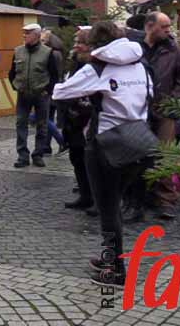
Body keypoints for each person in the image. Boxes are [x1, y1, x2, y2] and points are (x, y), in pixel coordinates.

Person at [53, 21, 152, 288]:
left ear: (96, 45)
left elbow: (61, 91)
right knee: (115, 203)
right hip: (140, 139)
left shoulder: (98, 67)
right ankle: (111, 257)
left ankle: (115, 270)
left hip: (106, 144)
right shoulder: (141, 64)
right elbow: (150, 96)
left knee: (108, 209)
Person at [141, 11, 180, 220]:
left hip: (164, 113)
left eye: (169, 26)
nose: (169, 30)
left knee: (165, 156)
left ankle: (166, 200)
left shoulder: (174, 51)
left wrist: (171, 102)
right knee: (136, 154)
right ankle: (137, 198)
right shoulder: (134, 49)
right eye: (164, 26)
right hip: (137, 112)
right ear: (150, 26)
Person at [9, 23, 58, 169]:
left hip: (41, 94)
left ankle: (38, 155)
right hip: (23, 94)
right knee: (21, 124)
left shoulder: (47, 52)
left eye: (28, 33)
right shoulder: (18, 51)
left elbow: (54, 75)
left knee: (42, 125)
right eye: (24, 33)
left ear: (36, 35)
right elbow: (12, 72)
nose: (24, 36)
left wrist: (47, 91)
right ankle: (22, 156)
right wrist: (15, 86)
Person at [57, 28, 95, 211]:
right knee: (77, 159)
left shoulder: (94, 66)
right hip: (72, 120)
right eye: (75, 42)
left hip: (87, 120)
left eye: (80, 43)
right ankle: (85, 196)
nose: (76, 46)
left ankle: (97, 200)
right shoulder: (75, 63)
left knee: (91, 162)